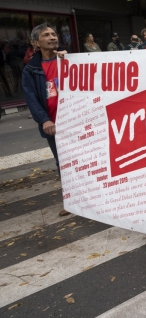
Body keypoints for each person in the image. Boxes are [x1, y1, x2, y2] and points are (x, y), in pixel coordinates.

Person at [22, 23, 72, 217]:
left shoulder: (69, 59)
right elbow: (31, 98)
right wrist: (44, 120)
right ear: (36, 42)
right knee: (63, 163)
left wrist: (70, 61)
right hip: (54, 125)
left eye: (54, 34)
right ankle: (71, 200)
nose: (52, 37)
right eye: (46, 35)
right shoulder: (31, 70)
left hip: (77, 120)